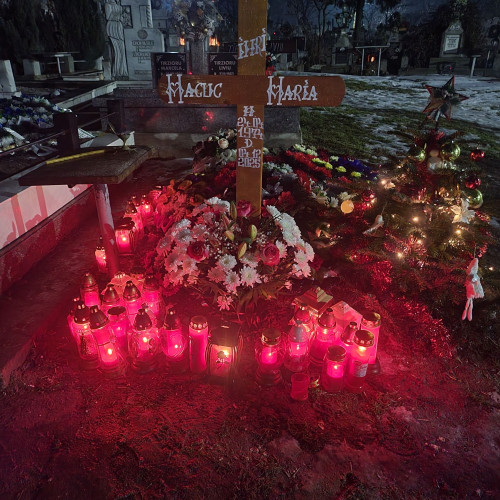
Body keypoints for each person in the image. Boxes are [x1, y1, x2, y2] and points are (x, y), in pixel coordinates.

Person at [105, 0, 128, 78]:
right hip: (113, 27)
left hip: (119, 27)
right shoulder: (108, 5)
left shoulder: (119, 4)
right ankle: (117, 71)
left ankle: (123, 70)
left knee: (122, 50)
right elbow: (108, 17)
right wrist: (119, 16)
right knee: (116, 50)